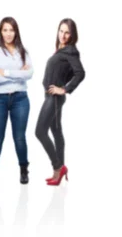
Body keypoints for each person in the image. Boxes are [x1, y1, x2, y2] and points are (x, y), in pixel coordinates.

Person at [35, 18, 85, 186]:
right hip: (51, 96)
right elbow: (68, 71)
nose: (63, 35)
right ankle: (59, 172)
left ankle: (58, 167)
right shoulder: (61, 50)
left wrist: (63, 88)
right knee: (56, 131)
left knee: (40, 132)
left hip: (55, 98)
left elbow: (80, 73)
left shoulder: (71, 51)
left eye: (67, 32)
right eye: (61, 31)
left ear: (72, 35)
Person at [0, 17, 33, 184]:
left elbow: (29, 74)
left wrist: (5, 72)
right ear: (0, 32)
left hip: (20, 99)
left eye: (11, 30)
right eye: (5, 30)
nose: (8, 33)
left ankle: (24, 169)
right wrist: (18, 73)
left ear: (16, 32)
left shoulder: (23, 51)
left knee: (20, 137)